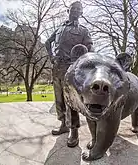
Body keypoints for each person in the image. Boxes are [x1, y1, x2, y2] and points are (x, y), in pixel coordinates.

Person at [45, 1, 94, 147]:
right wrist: (51, 56)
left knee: (71, 101)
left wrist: (83, 62)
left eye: (79, 9)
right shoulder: (60, 28)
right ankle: (63, 124)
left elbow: (90, 48)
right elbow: (48, 42)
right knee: (58, 98)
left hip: (72, 68)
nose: (76, 11)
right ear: (69, 10)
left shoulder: (83, 31)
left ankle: (74, 131)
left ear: (81, 13)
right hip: (57, 67)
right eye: (73, 8)